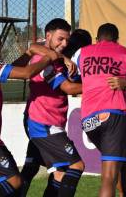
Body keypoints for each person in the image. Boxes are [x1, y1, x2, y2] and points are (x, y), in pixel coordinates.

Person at [0, 26, 62, 197]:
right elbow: (26, 73)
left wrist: (29, 54)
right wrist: (48, 58)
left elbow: (12, 69)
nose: (1, 44)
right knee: (14, 182)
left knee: (14, 188)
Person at [71, 23, 126, 197]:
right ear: (117, 40)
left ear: (97, 40)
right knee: (109, 176)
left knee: (122, 166)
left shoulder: (81, 53)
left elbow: (73, 77)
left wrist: (125, 81)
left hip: (88, 119)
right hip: (114, 117)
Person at [20, 19, 89, 197]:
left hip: (46, 123)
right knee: (74, 166)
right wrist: (99, 84)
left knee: (38, 169)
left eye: (67, 40)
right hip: (43, 125)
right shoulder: (44, 60)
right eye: (60, 39)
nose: (64, 44)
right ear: (48, 36)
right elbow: (68, 88)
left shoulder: (56, 57)